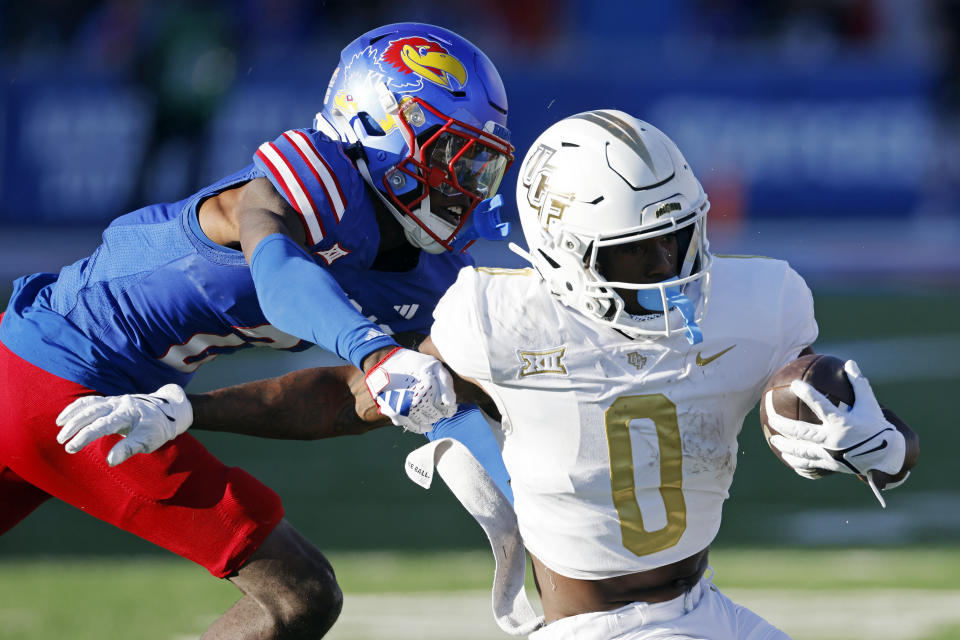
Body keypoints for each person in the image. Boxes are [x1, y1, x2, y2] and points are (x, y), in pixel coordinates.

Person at [54, 111, 921, 638]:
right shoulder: (494, 319)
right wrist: (189, 412)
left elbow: (824, 401)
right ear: (561, 251)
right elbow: (349, 398)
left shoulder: (761, 297)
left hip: (708, 608)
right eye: (638, 252)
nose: (670, 269)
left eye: (680, 239)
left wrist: (877, 443)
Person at [0, 22, 515, 639]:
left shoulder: (428, 272)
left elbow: (346, 400)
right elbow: (278, 268)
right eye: (446, 155)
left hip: (75, 379)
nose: (465, 183)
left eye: (482, 163)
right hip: (62, 377)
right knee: (295, 595)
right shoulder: (318, 175)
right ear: (378, 128)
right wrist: (375, 351)